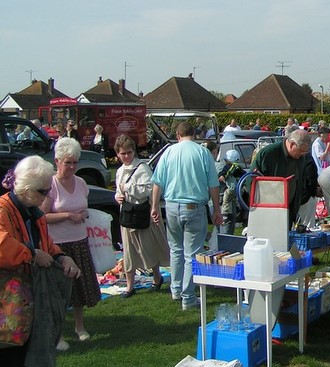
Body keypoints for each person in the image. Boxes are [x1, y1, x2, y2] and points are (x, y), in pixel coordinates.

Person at [0, 156, 79, 366]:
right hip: (8, 303)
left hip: (29, 301)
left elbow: (46, 245)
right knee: (11, 354)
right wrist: (32, 254)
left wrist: (62, 257)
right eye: (43, 192)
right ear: (26, 190)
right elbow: (2, 246)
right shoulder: (2, 210)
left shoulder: (34, 214)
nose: (47, 196)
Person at [151, 121, 223, 311]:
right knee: (192, 254)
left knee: (175, 250)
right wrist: (217, 209)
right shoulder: (203, 153)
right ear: (194, 134)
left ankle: (176, 290)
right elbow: (213, 185)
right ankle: (188, 297)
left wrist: (154, 207)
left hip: (172, 207)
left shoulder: (169, 152)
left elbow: (157, 182)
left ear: (178, 134)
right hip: (194, 207)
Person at [39, 137, 101, 351]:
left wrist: (81, 214)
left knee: (78, 290)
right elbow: (42, 216)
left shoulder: (81, 183)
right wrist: (67, 215)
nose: (72, 166)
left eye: (75, 162)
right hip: (58, 245)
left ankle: (79, 326)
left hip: (79, 241)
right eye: (68, 162)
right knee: (58, 292)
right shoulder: (51, 185)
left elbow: (83, 207)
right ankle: (58, 334)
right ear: (57, 161)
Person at [114, 135, 170, 298]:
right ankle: (130, 286)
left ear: (134, 152)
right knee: (129, 251)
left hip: (143, 213)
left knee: (148, 247)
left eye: (129, 153)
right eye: (123, 153)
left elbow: (149, 189)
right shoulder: (119, 171)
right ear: (117, 154)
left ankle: (157, 277)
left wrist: (128, 188)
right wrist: (117, 197)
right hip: (127, 214)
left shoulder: (142, 168)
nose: (126, 156)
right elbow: (119, 190)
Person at [251, 128, 312, 226]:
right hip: (268, 211)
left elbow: (299, 182)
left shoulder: (301, 158)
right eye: (301, 151)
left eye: (305, 152)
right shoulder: (268, 154)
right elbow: (251, 182)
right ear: (292, 144)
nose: (302, 155)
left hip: (289, 210)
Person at [218, 150, 246, 235]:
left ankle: (225, 214)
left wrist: (221, 176)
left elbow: (222, 173)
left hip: (230, 189)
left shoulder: (228, 167)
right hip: (237, 190)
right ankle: (237, 209)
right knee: (232, 201)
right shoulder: (239, 168)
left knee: (226, 200)